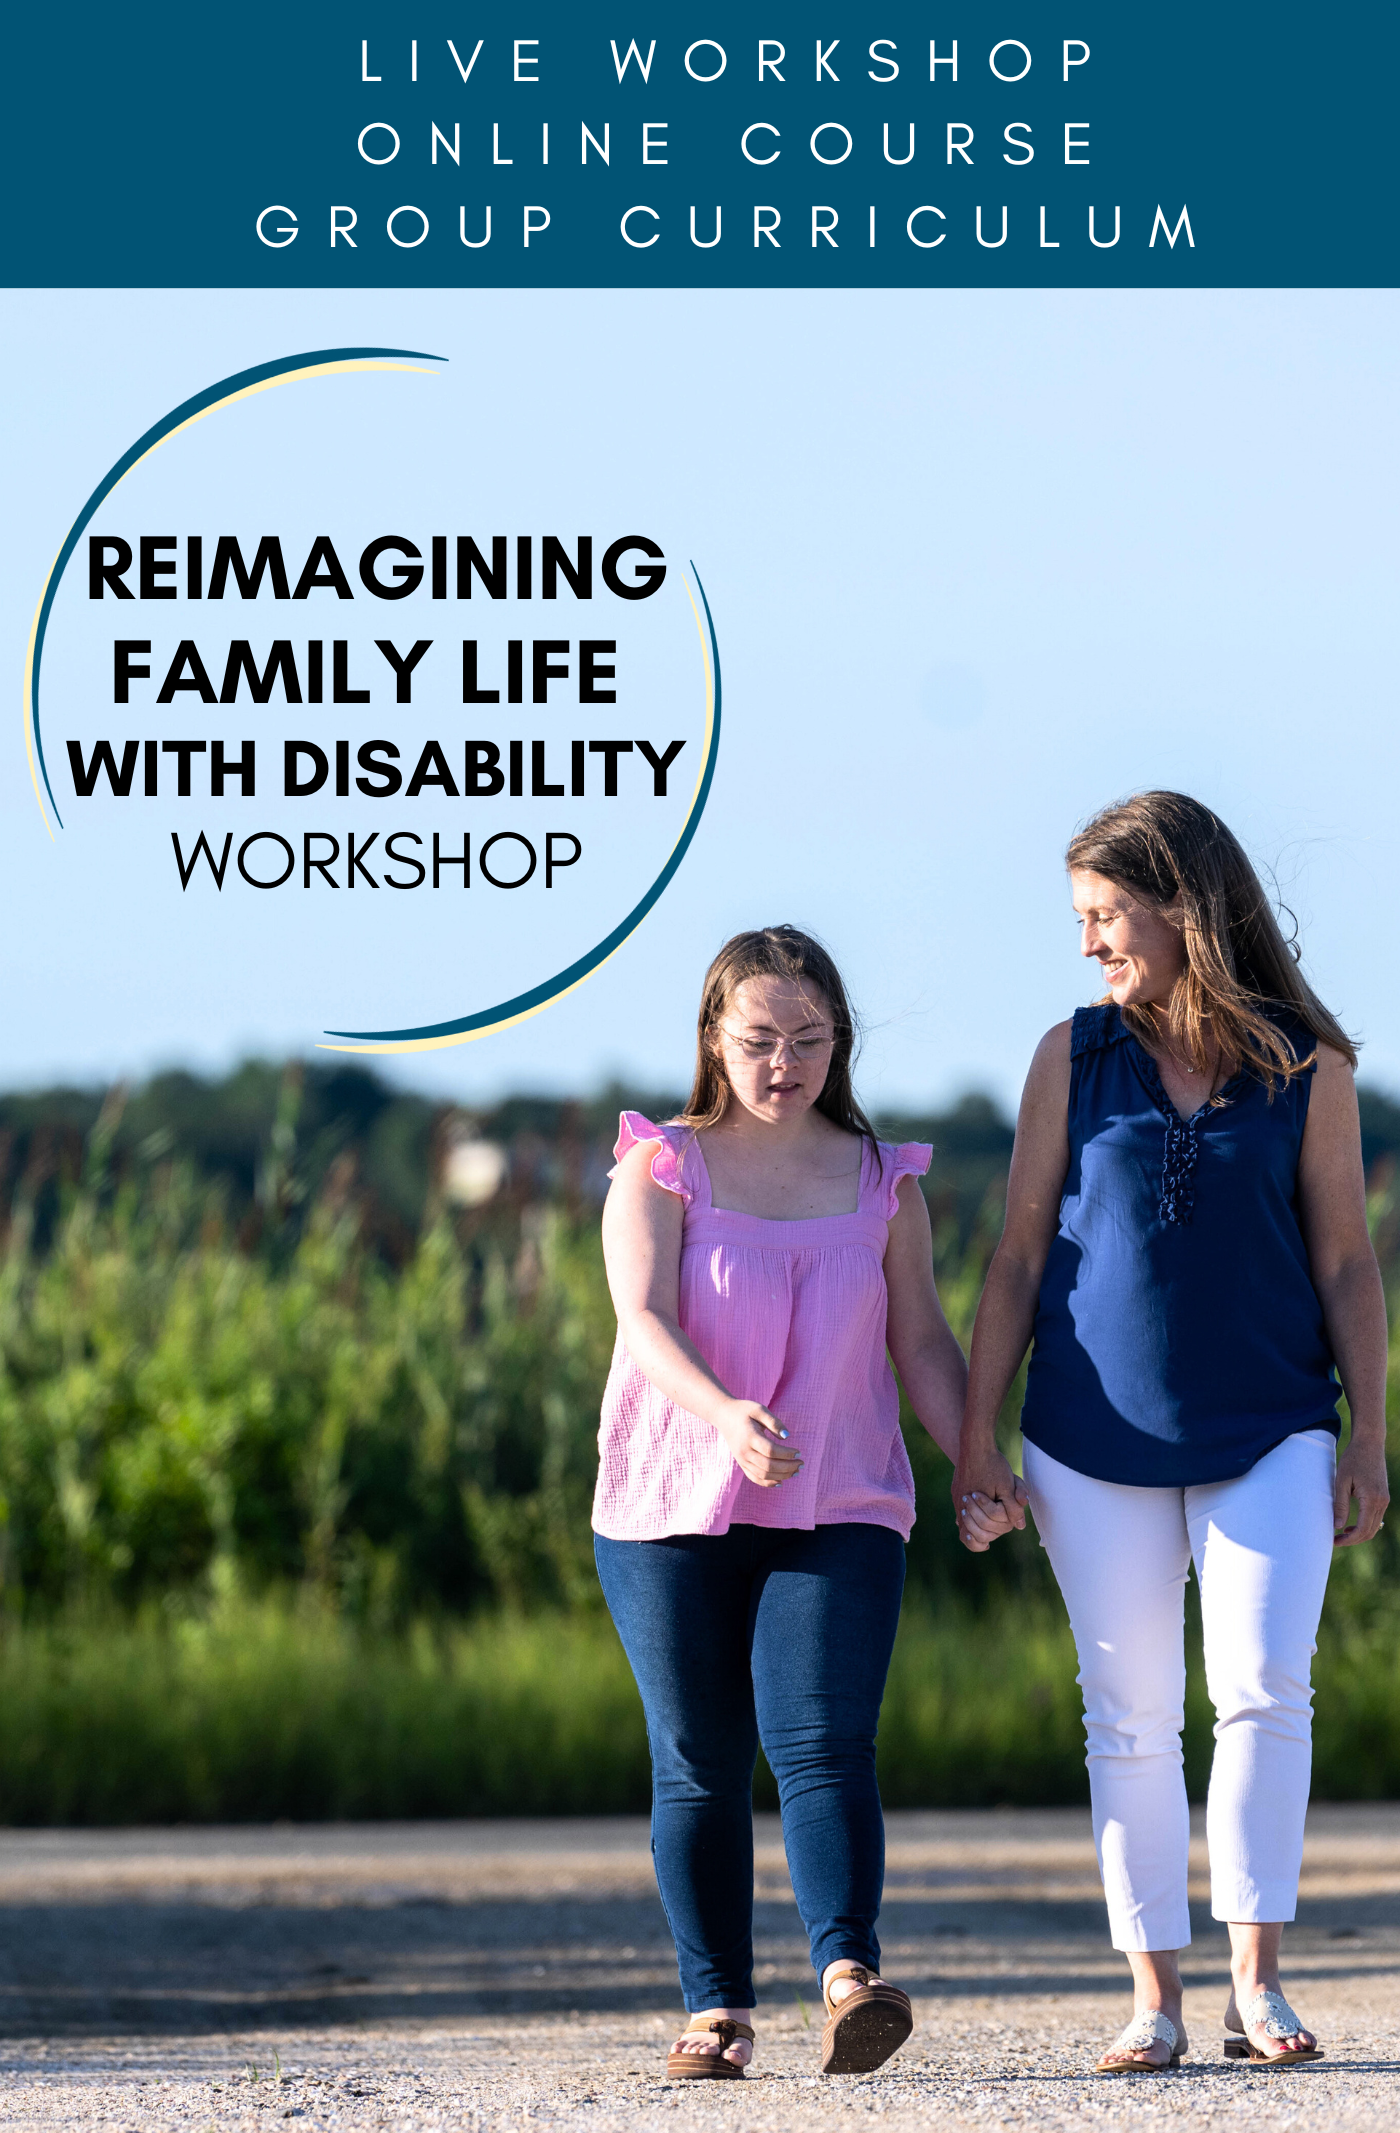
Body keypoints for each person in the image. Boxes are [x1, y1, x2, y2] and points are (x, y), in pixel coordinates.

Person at [954, 791, 1389, 2074]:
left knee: (1263, 1690)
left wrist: (1366, 1434)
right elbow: (1016, 1253)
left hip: (1272, 1427)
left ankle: (1259, 1981)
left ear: (1181, 908)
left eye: (1105, 915)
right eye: (1080, 920)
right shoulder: (1067, 1056)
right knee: (1128, 1713)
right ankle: (1154, 1995)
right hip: (1088, 1437)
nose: (1089, 943)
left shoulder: (1308, 1064)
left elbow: (1348, 1262)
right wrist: (978, 1437)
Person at [594, 925, 1003, 2080]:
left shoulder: (882, 1181)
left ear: (839, 1043)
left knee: (823, 1745)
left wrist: (974, 1453)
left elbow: (918, 1337)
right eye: (759, 1040)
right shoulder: (659, 1165)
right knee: (698, 1759)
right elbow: (644, 1320)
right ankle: (713, 2012)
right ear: (714, 1041)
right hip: (669, 1504)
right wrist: (724, 1415)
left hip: (842, 1499)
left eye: (809, 1041)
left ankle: (848, 1979)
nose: (784, 1064)